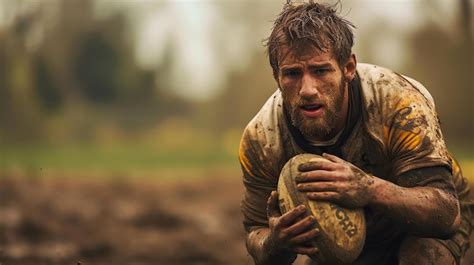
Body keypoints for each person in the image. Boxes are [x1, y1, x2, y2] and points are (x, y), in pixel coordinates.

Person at [238, 1, 473, 265]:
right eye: (292, 74)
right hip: (340, 231)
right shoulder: (261, 138)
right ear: (276, 76)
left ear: (348, 68)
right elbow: (256, 232)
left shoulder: (400, 103)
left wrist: (369, 188)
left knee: (423, 258)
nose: (307, 89)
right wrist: (275, 242)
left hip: (422, 224)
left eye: (321, 70)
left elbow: (446, 214)